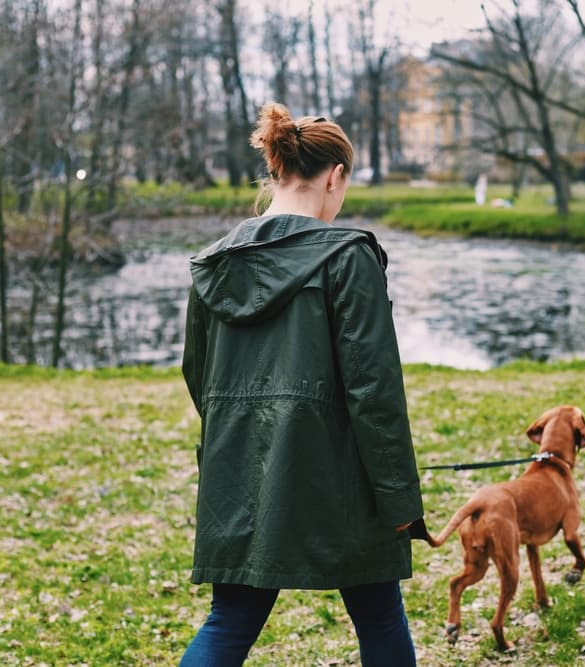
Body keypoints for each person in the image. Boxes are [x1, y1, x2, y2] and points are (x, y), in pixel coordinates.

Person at [179, 102, 425, 667]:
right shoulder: (349, 256)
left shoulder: (214, 264)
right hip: (338, 476)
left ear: (276, 171)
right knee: (381, 614)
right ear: (335, 177)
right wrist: (399, 499)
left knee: (231, 619)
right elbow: (375, 392)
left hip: (238, 470)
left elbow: (200, 376)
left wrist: (240, 440)